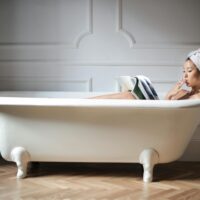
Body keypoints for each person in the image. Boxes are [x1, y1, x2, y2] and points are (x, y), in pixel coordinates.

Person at [90, 49, 200, 100]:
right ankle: (85, 103)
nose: (185, 76)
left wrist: (170, 95)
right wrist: (171, 94)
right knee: (128, 93)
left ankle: (85, 103)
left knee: (129, 96)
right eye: (184, 71)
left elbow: (168, 115)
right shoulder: (184, 93)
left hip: (158, 122)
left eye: (189, 71)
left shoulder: (196, 98)